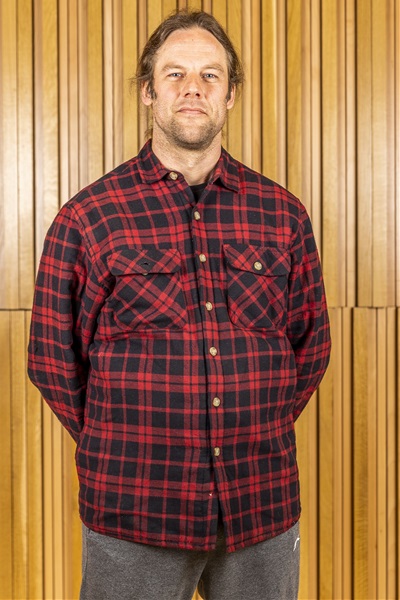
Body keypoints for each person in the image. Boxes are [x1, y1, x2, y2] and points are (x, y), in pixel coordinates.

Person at [28, 9, 331, 600]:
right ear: (148, 91)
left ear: (230, 95)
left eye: (210, 75)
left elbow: (309, 347)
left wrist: (253, 424)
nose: (194, 87)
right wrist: (121, 442)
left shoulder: (283, 215)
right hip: (135, 508)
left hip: (260, 505)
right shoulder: (88, 218)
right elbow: (52, 360)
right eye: (175, 74)